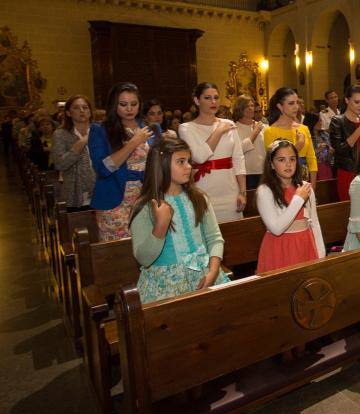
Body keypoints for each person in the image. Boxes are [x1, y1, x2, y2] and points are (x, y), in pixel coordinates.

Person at [129, 137, 229, 304]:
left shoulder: (199, 198)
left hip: (205, 274)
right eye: (181, 161)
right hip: (166, 286)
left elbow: (214, 238)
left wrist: (213, 270)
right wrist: (161, 226)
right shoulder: (145, 206)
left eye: (188, 161)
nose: (189, 166)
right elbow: (144, 258)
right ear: (162, 164)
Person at [89, 82, 153, 241]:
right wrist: (133, 142)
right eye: (123, 104)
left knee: (147, 248)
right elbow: (103, 169)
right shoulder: (100, 130)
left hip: (146, 198)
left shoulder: (149, 129)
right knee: (118, 254)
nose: (129, 109)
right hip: (115, 200)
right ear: (114, 105)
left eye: (134, 104)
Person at [179, 82, 247, 222]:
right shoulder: (186, 128)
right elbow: (199, 157)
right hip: (203, 191)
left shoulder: (229, 124)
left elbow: (238, 159)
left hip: (230, 193)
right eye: (207, 98)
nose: (213, 102)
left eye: (216, 97)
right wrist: (218, 131)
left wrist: (242, 192)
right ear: (197, 100)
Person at [256, 139, 325, 273]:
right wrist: (298, 199)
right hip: (280, 248)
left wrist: (321, 255)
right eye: (281, 160)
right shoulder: (265, 190)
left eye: (292, 159)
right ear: (271, 164)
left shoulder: (304, 187)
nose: (288, 164)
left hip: (305, 244)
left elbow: (315, 223)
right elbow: (277, 228)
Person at [263, 87, 317, 189]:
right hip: (282, 183)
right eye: (291, 103)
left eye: (297, 102)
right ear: (280, 106)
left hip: (304, 181)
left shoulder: (303, 128)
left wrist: (313, 187)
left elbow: (312, 160)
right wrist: (299, 145)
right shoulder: (270, 131)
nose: (296, 107)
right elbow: (274, 161)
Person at [52, 95, 95, 212]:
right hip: (75, 193)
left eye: (85, 107)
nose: (82, 111)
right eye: (76, 108)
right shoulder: (61, 134)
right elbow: (60, 164)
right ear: (68, 113)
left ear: (90, 112)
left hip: (100, 190)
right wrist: (81, 143)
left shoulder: (99, 131)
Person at [330, 85, 360, 200]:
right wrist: (358, 132)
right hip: (348, 171)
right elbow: (340, 150)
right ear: (347, 100)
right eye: (357, 102)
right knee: (349, 208)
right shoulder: (337, 121)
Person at [232, 95, 266, 189]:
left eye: (252, 105)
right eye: (247, 106)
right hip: (246, 173)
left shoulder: (262, 126)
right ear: (240, 109)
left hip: (263, 172)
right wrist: (254, 133)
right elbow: (239, 150)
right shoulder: (234, 128)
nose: (251, 108)